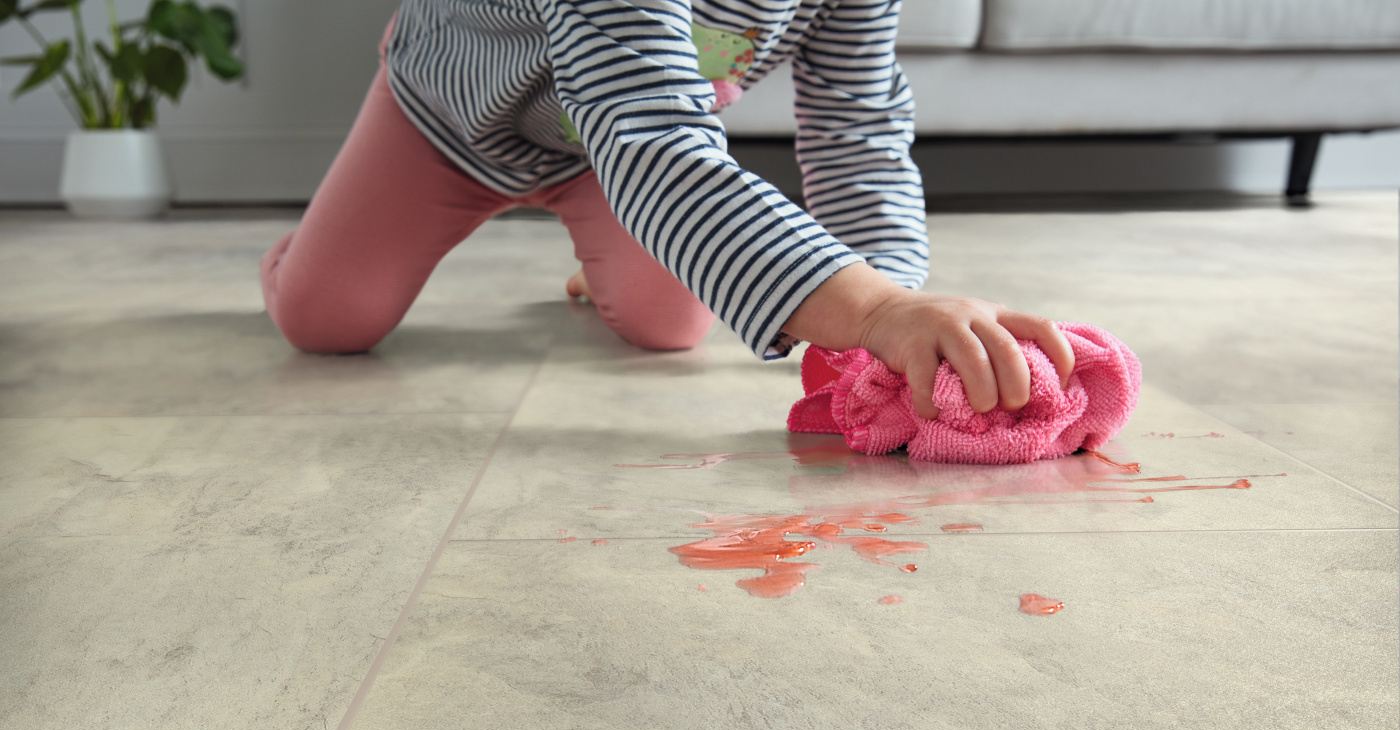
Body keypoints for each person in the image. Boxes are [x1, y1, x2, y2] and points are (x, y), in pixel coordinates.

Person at [260, 0, 1075, 420]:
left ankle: (593, 254)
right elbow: (650, 141)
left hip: (608, 158)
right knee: (328, 316)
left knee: (669, 326)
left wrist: (893, 311)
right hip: (447, 117)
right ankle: (312, 249)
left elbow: (857, 127)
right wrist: (873, 310)